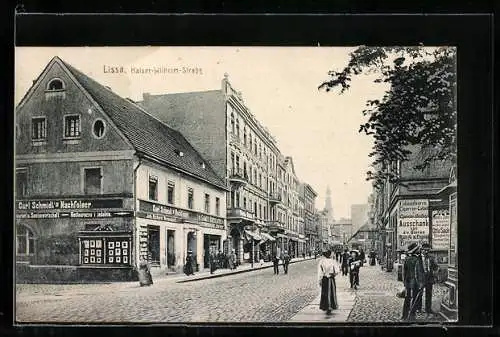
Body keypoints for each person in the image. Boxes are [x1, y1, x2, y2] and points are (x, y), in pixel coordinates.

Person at [401, 243, 425, 321]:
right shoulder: (417, 259)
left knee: (407, 299)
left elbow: (404, 272)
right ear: (415, 251)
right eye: (418, 249)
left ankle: (404, 315)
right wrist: (421, 283)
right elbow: (419, 272)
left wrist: (404, 282)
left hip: (408, 282)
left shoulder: (407, 259)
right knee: (415, 298)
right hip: (416, 282)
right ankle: (412, 315)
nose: (419, 250)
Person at [415, 242, 439, 315]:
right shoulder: (417, 258)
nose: (426, 252)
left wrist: (435, 272)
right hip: (421, 279)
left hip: (429, 278)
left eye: (427, 250)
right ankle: (418, 308)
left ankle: (428, 309)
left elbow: (436, 266)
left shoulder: (431, 258)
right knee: (419, 294)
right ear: (421, 250)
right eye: (424, 250)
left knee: (429, 294)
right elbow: (415, 270)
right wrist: (417, 280)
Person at [317, 249, 338, 315]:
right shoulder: (333, 261)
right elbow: (337, 270)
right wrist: (333, 274)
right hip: (331, 279)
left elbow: (319, 272)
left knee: (325, 292)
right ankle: (331, 305)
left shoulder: (321, 261)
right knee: (331, 292)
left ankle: (325, 306)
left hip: (325, 278)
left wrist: (319, 280)